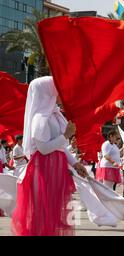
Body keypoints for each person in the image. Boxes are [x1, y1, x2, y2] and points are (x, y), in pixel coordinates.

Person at [11, 76, 88, 236]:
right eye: (56, 90)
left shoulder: (54, 114)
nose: (60, 94)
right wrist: (66, 134)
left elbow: (59, 146)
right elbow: (44, 148)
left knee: (53, 212)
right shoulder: (39, 118)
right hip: (43, 171)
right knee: (42, 214)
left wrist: (74, 163)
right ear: (45, 92)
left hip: (53, 169)